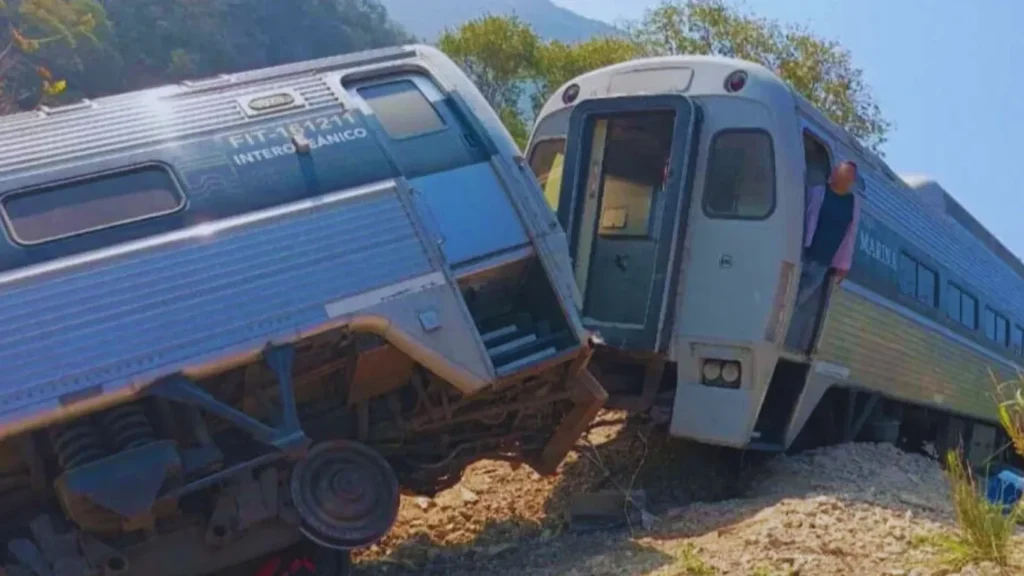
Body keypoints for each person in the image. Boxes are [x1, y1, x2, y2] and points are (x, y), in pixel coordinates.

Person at [785, 160, 862, 352]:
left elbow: (850, 234)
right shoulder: (818, 192)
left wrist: (844, 264)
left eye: (847, 175)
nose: (842, 177)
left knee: (797, 299)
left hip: (823, 262)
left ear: (851, 180)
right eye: (840, 172)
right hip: (802, 252)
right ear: (834, 174)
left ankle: (780, 332)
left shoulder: (853, 204)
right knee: (785, 292)